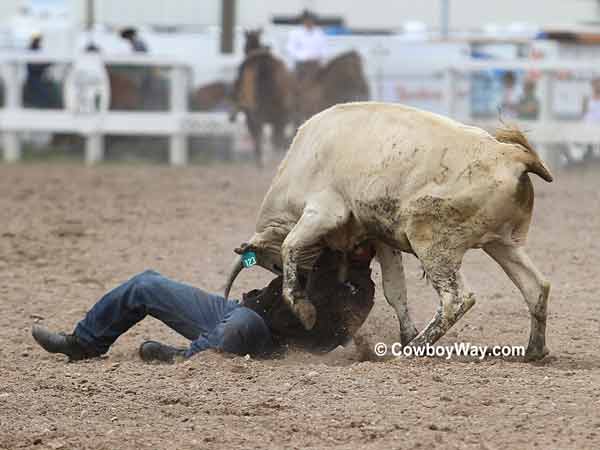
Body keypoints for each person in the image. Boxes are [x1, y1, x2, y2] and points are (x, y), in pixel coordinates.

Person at [32, 246, 375, 363]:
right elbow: (261, 261)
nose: (355, 243)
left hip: (264, 338)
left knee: (240, 326)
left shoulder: (360, 289)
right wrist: (250, 256)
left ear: (373, 250)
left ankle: (185, 358)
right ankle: (82, 343)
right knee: (146, 284)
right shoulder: (310, 249)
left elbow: (323, 335)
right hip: (236, 313)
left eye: (363, 241)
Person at [286, 9, 327, 82]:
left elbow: (324, 48)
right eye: (307, 20)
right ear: (303, 21)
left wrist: (318, 57)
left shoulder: (319, 33)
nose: (309, 22)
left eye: (311, 20)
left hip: (316, 63)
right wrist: (304, 57)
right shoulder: (295, 33)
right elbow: (290, 48)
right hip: (301, 65)